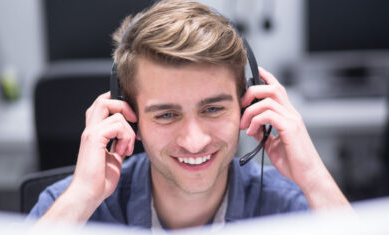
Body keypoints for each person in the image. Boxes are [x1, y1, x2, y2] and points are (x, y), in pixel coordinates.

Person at [28, 0, 351, 230]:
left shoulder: (293, 209)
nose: (194, 142)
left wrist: (314, 178)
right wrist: (82, 198)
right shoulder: (71, 208)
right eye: (166, 115)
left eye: (212, 109)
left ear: (246, 106)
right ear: (130, 118)